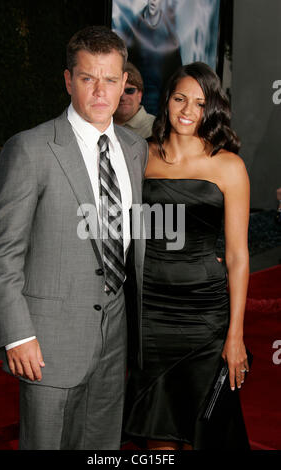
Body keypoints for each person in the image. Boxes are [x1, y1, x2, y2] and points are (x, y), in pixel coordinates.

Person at [0, 26, 148, 450]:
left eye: (111, 79)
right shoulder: (31, 149)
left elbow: (133, 240)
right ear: (68, 80)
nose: (100, 91)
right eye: (88, 78)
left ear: (124, 83)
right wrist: (18, 335)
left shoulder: (134, 149)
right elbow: (1, 254)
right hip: (47, 340)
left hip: (115, 338)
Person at [123, 62, 251, 450]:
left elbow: (237, 256)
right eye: (180, 98)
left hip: (205, 317)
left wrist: (236, 334)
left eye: (199, 102)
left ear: (211, 109)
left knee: (203, 431)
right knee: (157, 435)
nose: (187, 110)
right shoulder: (139, 157)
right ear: (167, 101)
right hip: (151, 315)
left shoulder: (228, 165)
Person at [128, 0, 182, 115]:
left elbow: (177, 75)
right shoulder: (134, 25)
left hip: (159, 105)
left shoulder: (170, 32)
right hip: (133, 102)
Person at [114, 62, 155, 139]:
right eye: (118, 91)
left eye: (130, 90)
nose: (123, 97)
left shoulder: (156, 128)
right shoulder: (97, 124)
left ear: (140, 95)